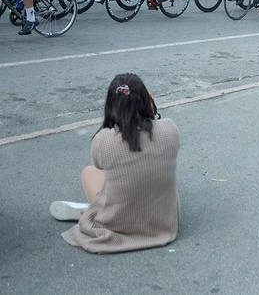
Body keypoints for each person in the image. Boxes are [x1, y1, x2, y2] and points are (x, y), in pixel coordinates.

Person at [50, 73, 180, 254]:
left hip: (120, 222)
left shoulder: (103, 140)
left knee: (90, 172)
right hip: (163, 223)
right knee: (142, 169)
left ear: (111, 106)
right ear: (146, 100)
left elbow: (99, 164)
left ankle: (97, 211)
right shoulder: (170, 129)